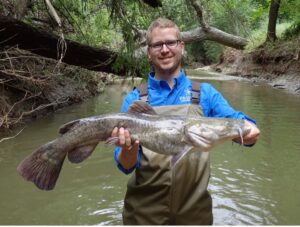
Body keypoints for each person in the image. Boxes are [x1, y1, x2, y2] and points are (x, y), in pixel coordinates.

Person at [112, 17, 260, 225]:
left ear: (181, 46)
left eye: (171, 42)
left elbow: (247, 130)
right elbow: (126, 165)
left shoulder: (205, 94)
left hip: (195, 215)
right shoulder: (135, 99)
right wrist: (127, 146)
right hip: (143, 215)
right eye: (157, 45)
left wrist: (249, 132)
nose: (165, 49)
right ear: (149, 52)